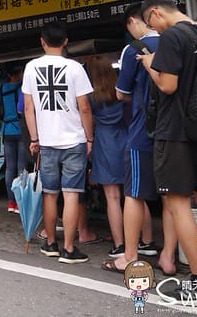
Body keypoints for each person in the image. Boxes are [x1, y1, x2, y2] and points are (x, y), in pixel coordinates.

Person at [137, 0, 197, 305]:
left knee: (178, 206)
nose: (156, 30)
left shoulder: (173, 36)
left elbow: (167, 85)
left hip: (175, 132)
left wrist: (151, 66)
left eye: (152, 24)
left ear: (155, 12)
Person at [105, 3, 177, 275]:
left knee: (134, 194)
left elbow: (121, 93)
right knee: (173, 198)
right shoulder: (174, 41)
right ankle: (168, 257)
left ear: (134, 21)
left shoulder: (133, 49)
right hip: (173, 132)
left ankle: (130, 256)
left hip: (142, 132)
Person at [23, 22, 94, 265]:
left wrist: (34, 138)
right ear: (65, 42)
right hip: (74, 140)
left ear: (41, 42)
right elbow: (84, 107)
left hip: (47, 142)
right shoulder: (75, 68)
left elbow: (28, 108)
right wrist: (89, 137)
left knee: (50, 194)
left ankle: (51, 243)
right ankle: (69, 249)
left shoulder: (31, 68)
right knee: (72, 194)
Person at [86, 54, 127, 258]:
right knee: (135, 196)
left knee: (112, 197)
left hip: (104, 142)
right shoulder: (122, 91)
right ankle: (146, 241)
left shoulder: (92, 97)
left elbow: (87, 119)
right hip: (127, 140)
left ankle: (120, 245)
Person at [0, 64, 25, 214]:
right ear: (17, 73)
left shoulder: (1, 88)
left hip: (7, 130)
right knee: (21, 168)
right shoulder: (21, 87)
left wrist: (5, 118)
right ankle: (21, 202)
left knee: (9, 168)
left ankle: (11, 202)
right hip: (20, 129)